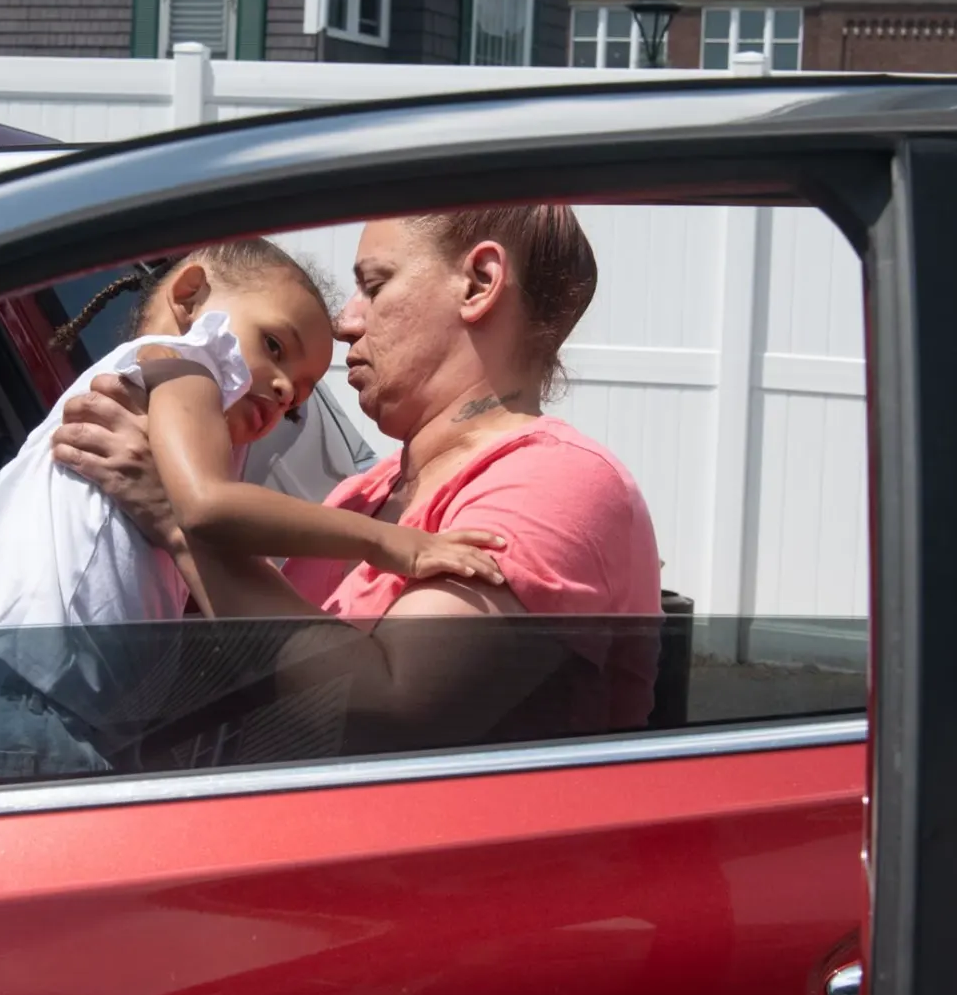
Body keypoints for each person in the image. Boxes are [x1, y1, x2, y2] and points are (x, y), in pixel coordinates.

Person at [54, 207, 665, 752]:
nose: (346, 322)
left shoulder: (556, 482)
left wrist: (175, 515)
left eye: (374, 285)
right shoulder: (361, 496)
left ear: (479, 283)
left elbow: (389, 710)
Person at [0, 239, 509, 785]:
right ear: (190, 297)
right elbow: (207, 506)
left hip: (37, 710)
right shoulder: (181, 360)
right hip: (18, 712)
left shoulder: (177, 408)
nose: (283, 391)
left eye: (297, 401)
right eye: (274, 346)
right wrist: (391, 543)